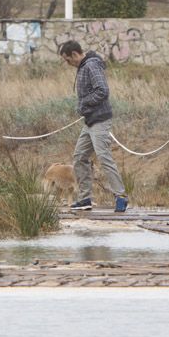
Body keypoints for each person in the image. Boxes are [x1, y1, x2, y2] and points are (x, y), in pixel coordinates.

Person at [58, 41, 128, 212]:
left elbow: (102, 90)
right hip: (89, 121)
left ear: (75, 54)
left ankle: (120, 196)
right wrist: (84, 107)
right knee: (80, 157)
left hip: (100, 120)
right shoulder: (83, 66)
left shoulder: (91, 66)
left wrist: (84, 104)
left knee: (104, 158)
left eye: (68, 60)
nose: (68, 64)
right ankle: (85, 199)